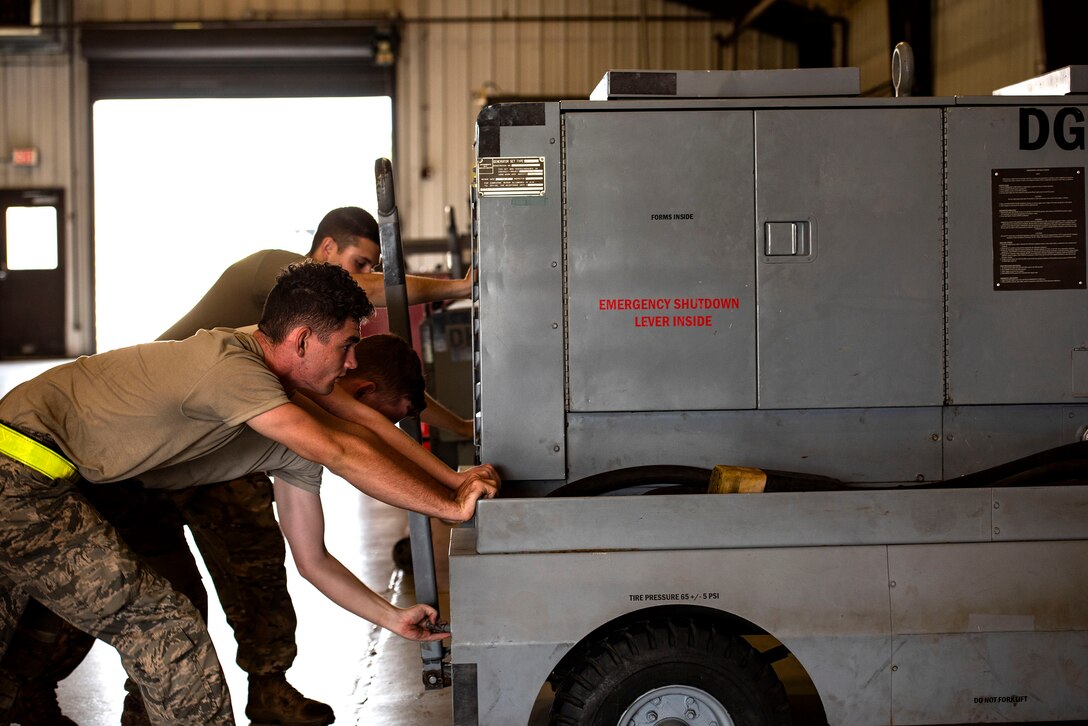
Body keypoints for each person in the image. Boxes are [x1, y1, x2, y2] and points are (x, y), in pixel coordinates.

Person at [5, 206, 471, 726]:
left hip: (85, 482)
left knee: (171, 609)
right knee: (165, 627)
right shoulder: (237, 367)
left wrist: (396, 613)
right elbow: (342, 449)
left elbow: (314, 554)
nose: (352, 364)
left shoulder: (293, 429)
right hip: (23, 470)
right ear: (300, 341)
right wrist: (452, 506)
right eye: (346, 347)